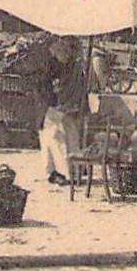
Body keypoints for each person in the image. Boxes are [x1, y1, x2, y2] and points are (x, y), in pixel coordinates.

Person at [39, 38, 90, 185]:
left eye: (67, 52)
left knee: (63, 138)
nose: (65, 56)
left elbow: (76, 90)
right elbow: (47, 89)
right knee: (53, 137)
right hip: (53, 108)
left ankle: (68, 171)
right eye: (62, 53)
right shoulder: (51, 67)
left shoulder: (73, 68)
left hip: (66, 109)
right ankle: (56, 172)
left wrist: (69, 104)